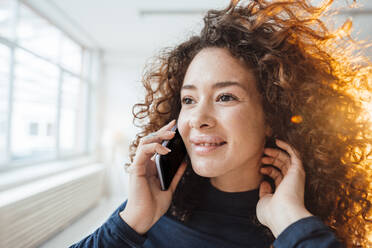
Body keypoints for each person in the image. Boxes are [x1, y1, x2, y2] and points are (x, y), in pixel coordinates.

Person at [71, 0, 371, 247]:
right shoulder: (152, 209)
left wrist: (290, 221)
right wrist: (130, 221)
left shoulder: (301, 228)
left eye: (225, 97)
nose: (197, 121)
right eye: (189, 100)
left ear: (271, 113)